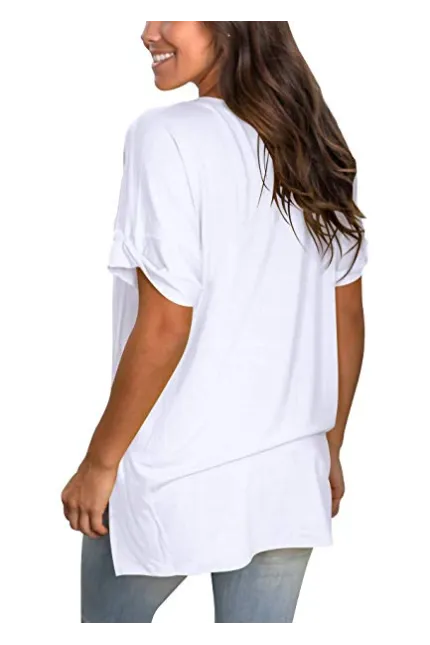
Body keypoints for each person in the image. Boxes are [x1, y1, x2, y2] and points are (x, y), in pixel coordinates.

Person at [61, 18, 369, 624]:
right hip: (286, 477)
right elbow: (348, 317)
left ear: (232, 22)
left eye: (171, 12)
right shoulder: (316, 144)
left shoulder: (165, 136)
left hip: (172, 474)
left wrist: (100, 463)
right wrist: (328, 449)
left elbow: (165, 323)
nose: (148, 32)